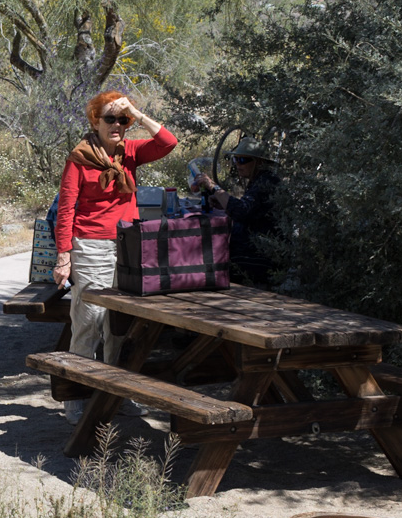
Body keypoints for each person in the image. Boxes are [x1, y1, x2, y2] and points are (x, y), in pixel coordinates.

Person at [52, 91, 177, 423]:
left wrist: (136, 110)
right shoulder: (79, 158)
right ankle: (76, 398)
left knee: (118, 325)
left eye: (123, 120)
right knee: (89, 321)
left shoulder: (131, 153)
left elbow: (168, 142)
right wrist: (63, 256)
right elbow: (65, 211)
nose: (118, 125)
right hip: (90, 246)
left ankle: (113, 394)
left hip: (127, 247)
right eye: (111, 118)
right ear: (95, 121)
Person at [193, 137, 280, 286]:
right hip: (253, 252)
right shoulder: (261, 180)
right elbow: (250, 209)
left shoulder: (265, 182)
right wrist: (224, 203)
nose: (238, 165)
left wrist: (213, 186)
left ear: (258, 162)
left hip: (256, 258)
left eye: (243, 160)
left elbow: (241, 211)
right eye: (236, 160)